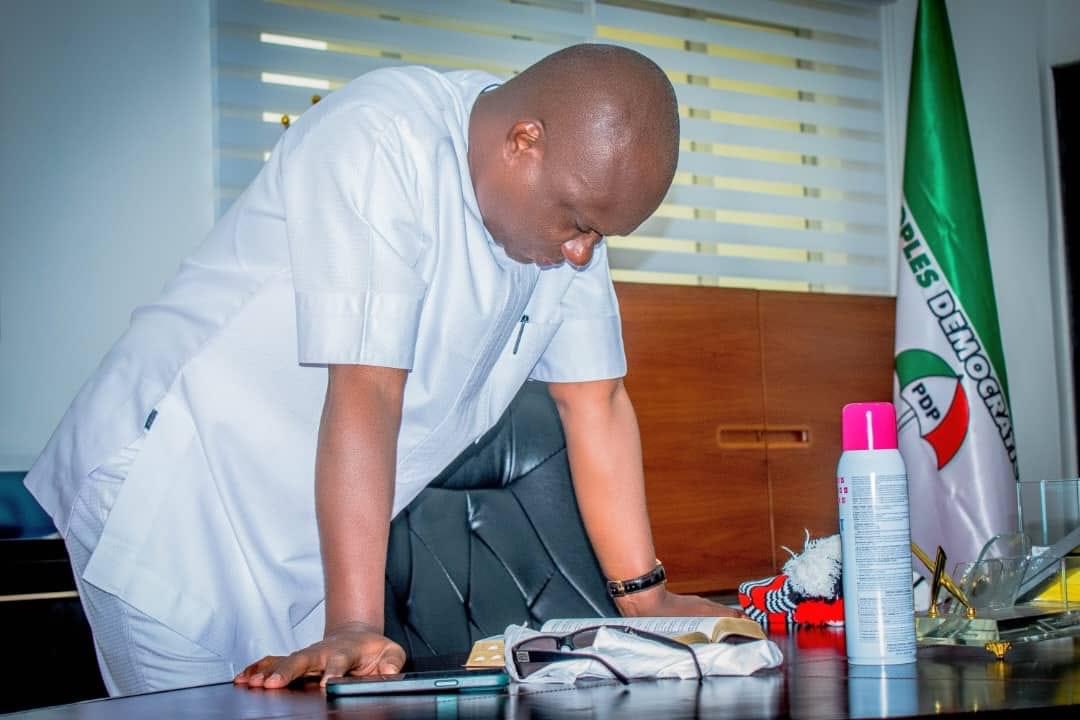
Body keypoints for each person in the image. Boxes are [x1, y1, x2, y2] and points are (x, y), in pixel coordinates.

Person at [25, 43, 740, 696]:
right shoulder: (383, 137)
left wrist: (645, 595)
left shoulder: (571, 211)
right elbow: (367, 386)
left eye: (601, 235)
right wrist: (356, 623)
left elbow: (596, 400)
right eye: (580, 224)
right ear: (524, 141)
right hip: (174, 494)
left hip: (303, 532)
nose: (584, 252)